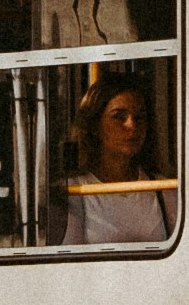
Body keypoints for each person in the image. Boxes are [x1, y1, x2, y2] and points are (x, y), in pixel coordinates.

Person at [62, 76, 176, 248]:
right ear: (94, 126)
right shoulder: (75, 190)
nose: (132, 125)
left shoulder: (164, 189)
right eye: (119, 116)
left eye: (139, 117)